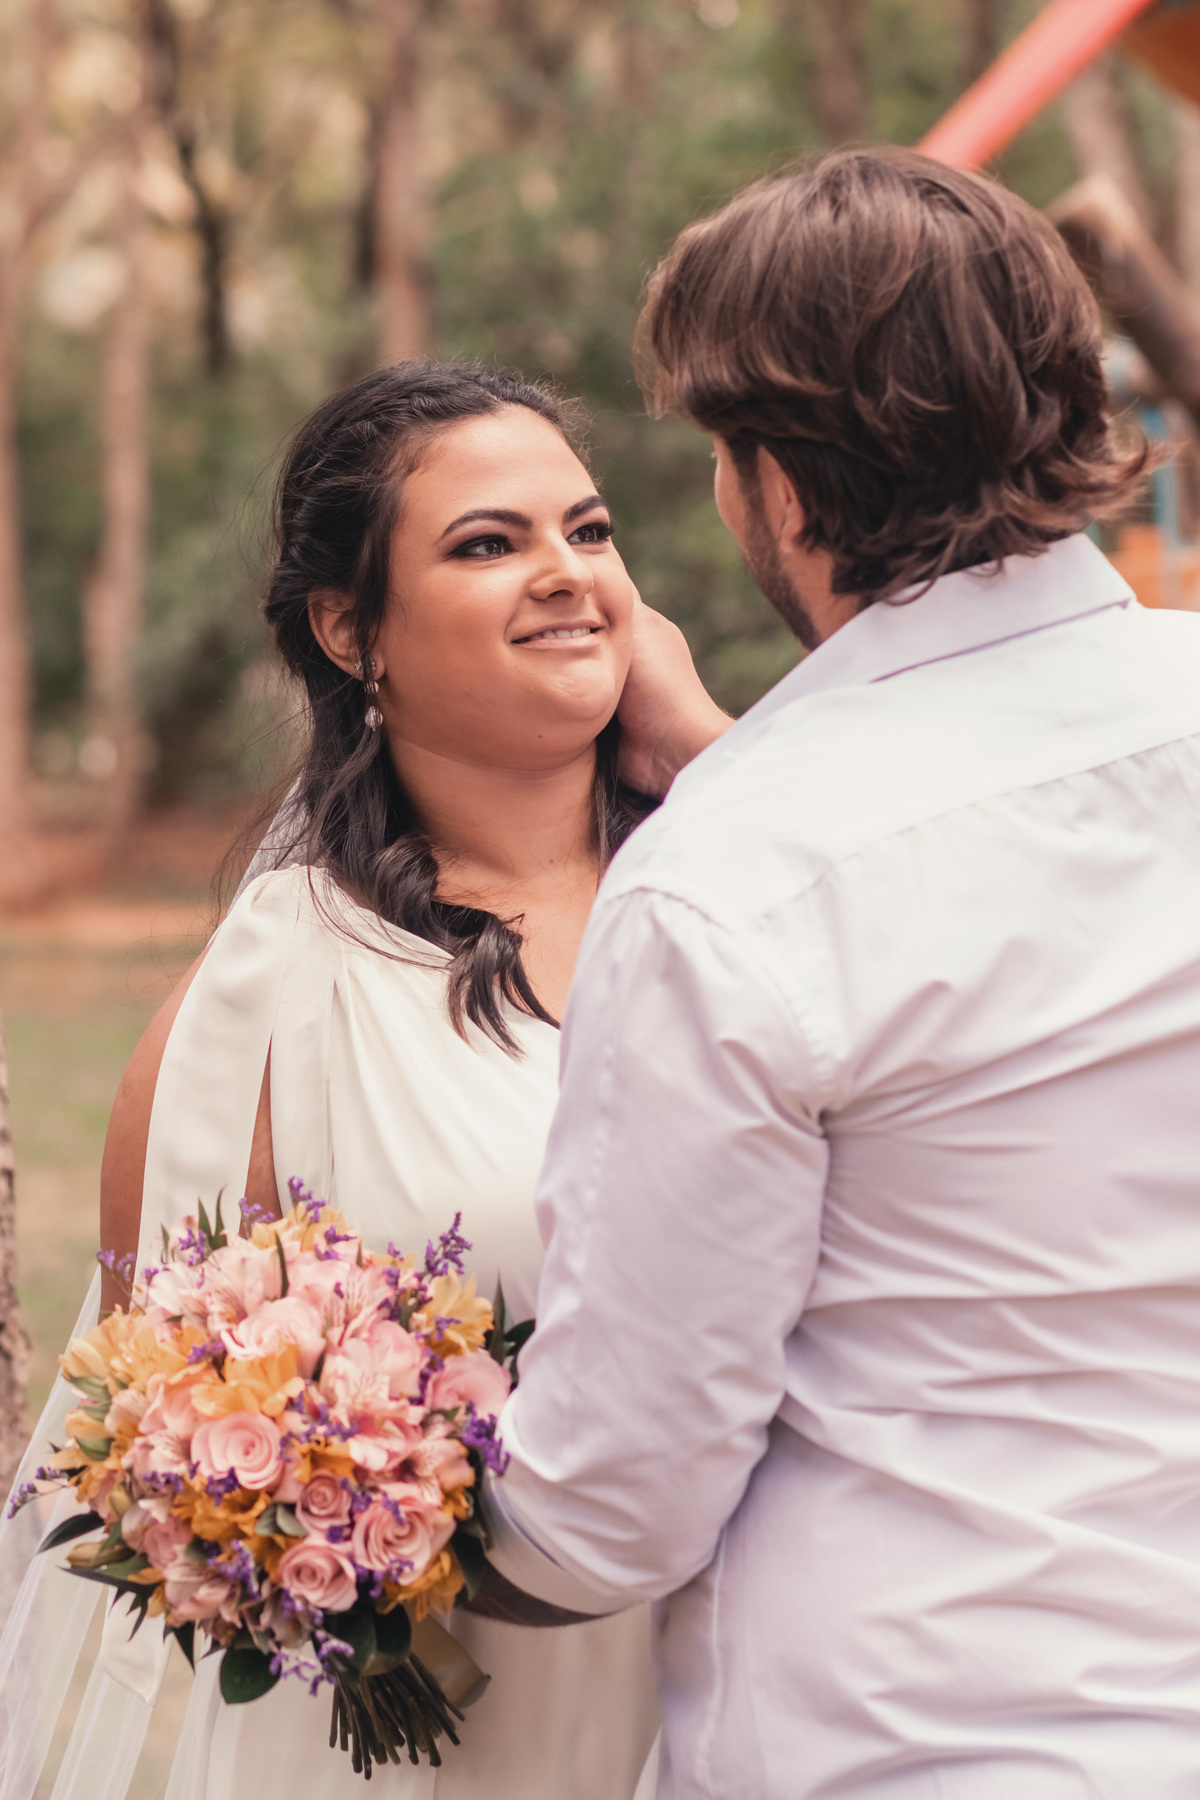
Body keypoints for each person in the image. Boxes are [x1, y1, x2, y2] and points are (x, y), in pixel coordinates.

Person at [481, 147, 1200, 1798]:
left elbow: (622, 1495)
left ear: (783, 489)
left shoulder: (735, 883)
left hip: (916, 1746)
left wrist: (357, 1508)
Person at [0, 362, 730, 1800]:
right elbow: (163, 1427)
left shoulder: (747, 883)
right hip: (487, 1731)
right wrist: (326, 1505)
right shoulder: (280, 989)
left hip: (799, 1693)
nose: (567, 576)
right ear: (350, 630)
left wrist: (709, 749)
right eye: (488, 543)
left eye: (588, 532)